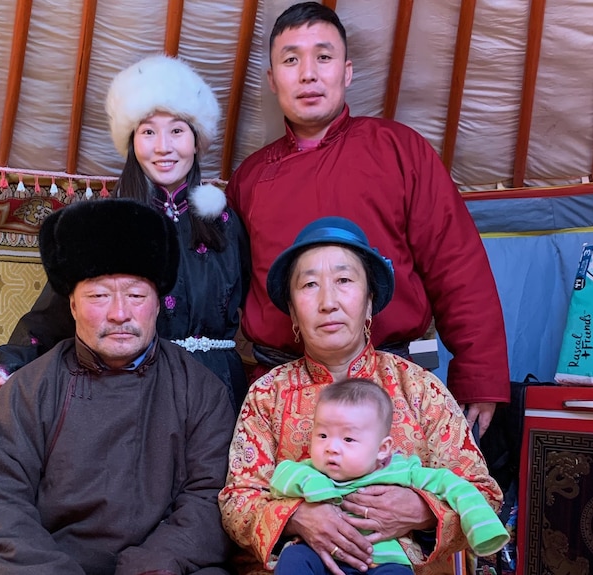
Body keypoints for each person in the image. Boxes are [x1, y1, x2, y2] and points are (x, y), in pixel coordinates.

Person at [224, 1, 508, 435]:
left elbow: (457, 266)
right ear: (272, 79)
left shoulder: (399, 151)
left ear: (347, 71)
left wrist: (479, 374)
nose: (308, 73)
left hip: (392, 386)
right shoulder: (249, 179)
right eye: (290, 60)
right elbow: (228, 293)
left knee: (392, 502)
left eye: (323, 57)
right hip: (280, 394)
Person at [0, 199, 235, 575]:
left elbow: (209, 497)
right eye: (99, 295)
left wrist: (153, 565)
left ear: (157, 304)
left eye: (136, 295)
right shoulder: (30, 390)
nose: (120, 313)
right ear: (71, 304)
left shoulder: (200, 389)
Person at [0, 55, 249, 420]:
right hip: (128, 391)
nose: (163, 147)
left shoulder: (226, 221)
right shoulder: (105, 221)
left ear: (197, 142)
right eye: (148, 131)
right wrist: (6, 368)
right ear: (132, 142)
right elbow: (49, 321)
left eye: (177, 131)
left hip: (218, 394)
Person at [218, 216, 502, 575]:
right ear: (292, 310)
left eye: (344, 281)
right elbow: (236, 502)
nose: (328, 302)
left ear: (369, 303)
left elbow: (484, 495)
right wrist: (296, 517)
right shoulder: (267, 395)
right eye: (309, 285)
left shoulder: (419, 388)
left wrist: (422, 511)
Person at [269, 379, 509, 575]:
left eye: (348, 439)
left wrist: (482, 527)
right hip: (322, 558)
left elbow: (453, 485)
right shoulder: (313, 470)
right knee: (293, 558)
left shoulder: (400, 471)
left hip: (381, 562)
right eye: (322, 435)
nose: (331, 447)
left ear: (382, 449)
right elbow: (281, 476)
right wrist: (317, 488)